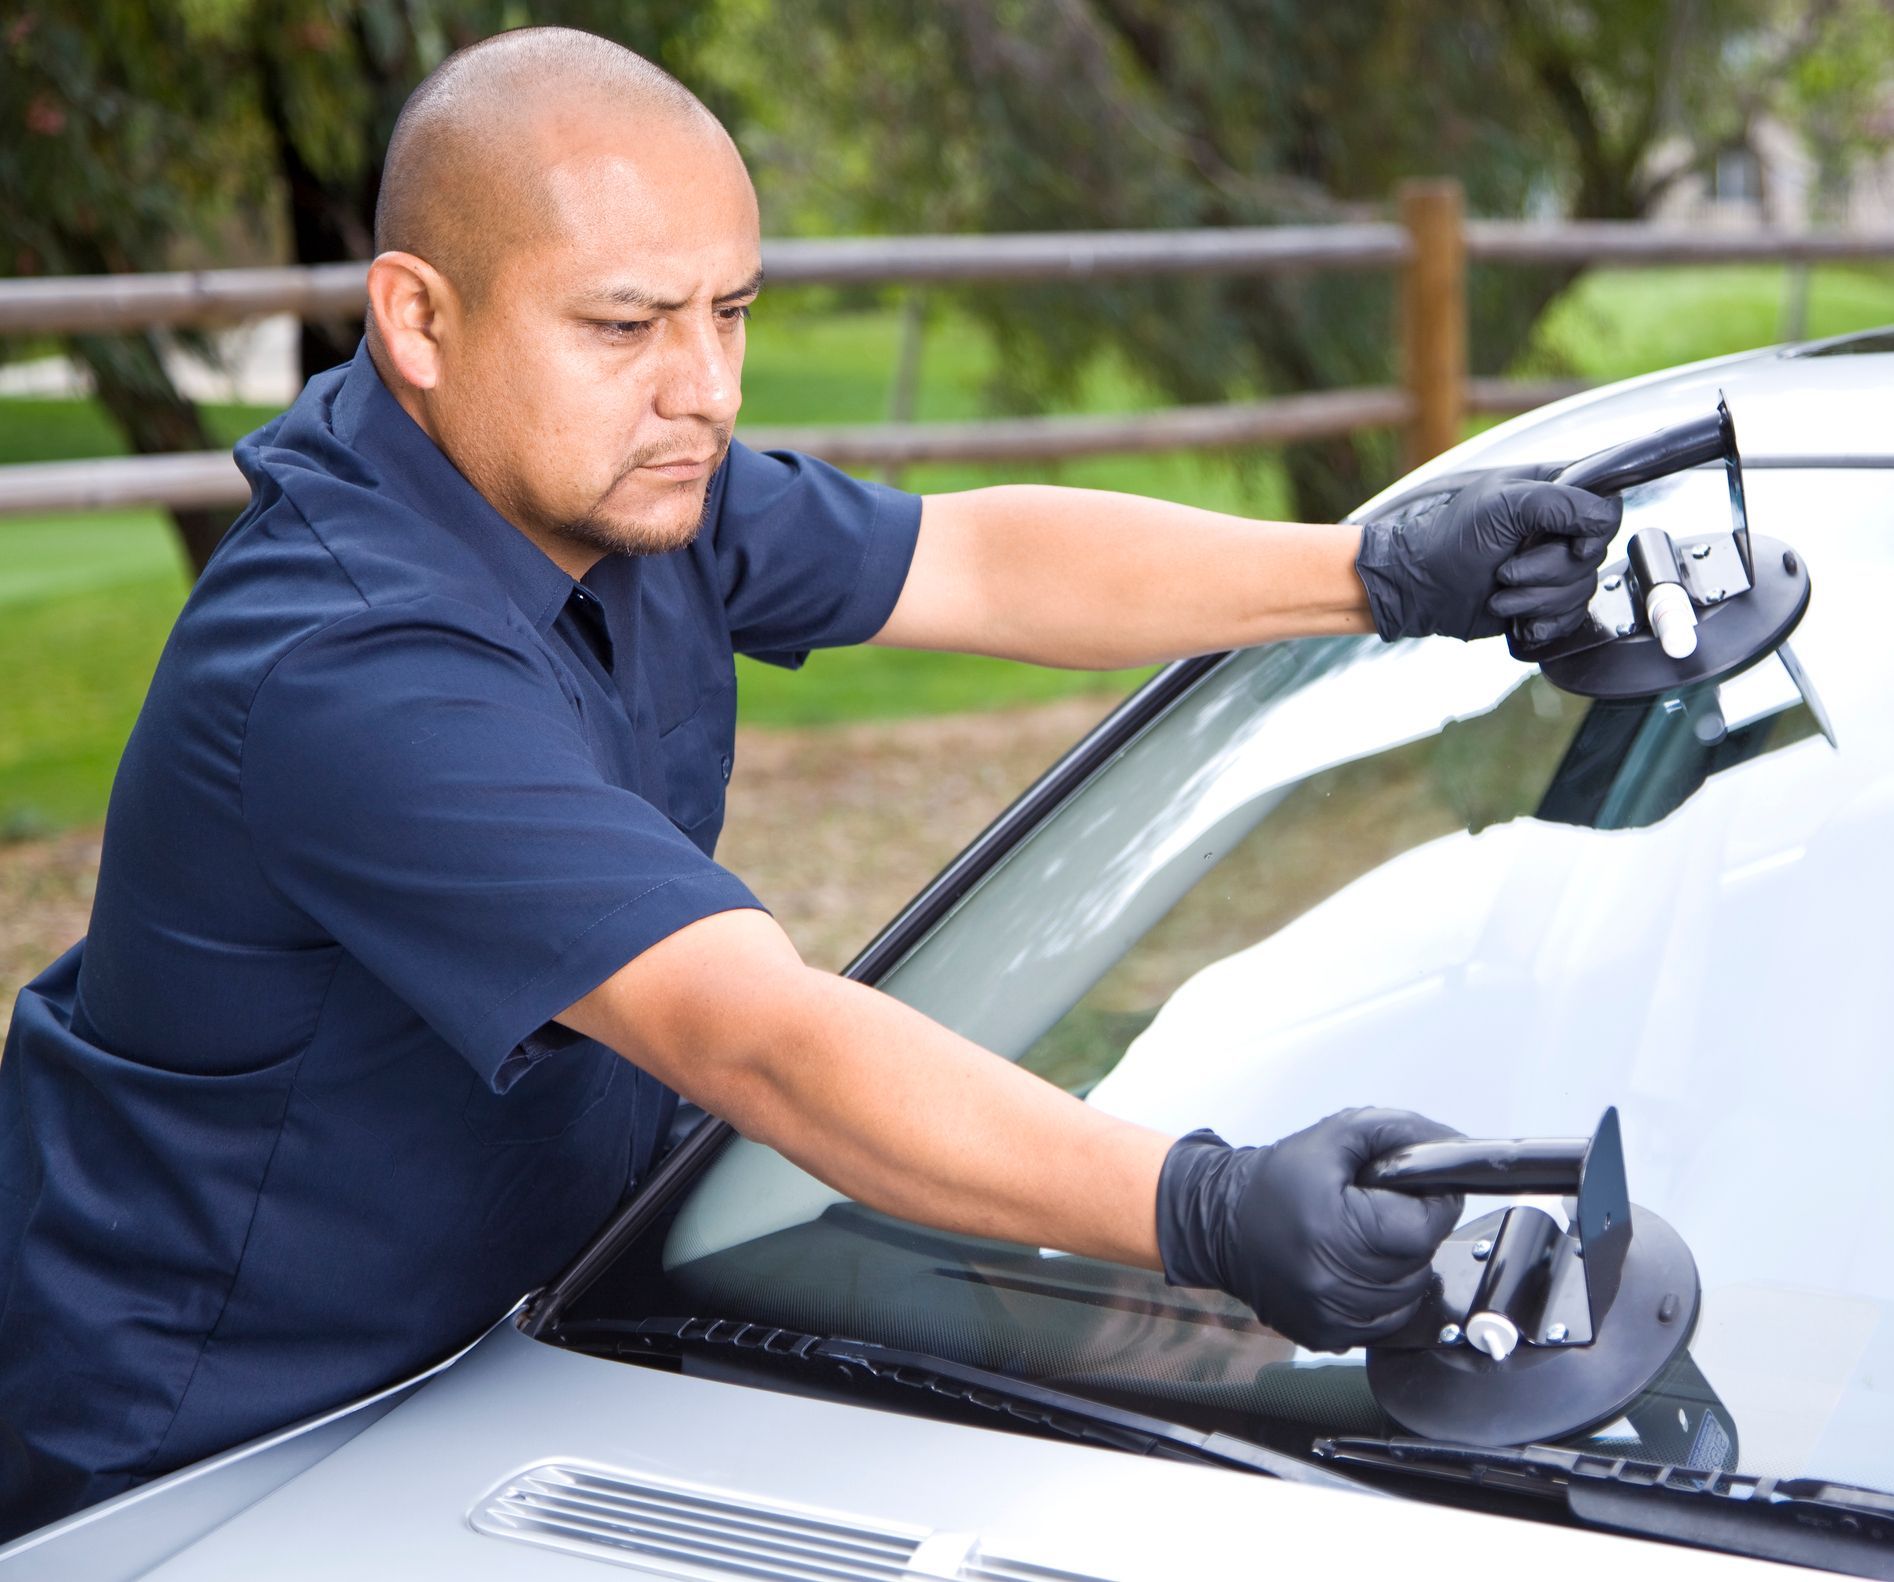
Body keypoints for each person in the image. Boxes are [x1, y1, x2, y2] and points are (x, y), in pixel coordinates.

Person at [0, 26, 1622, 1539]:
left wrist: (1382, 573)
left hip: (534, 1338)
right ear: (419, 320)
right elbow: (755, 1036)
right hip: (223, 1443)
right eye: (625, 324)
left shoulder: (617, 476)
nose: (702, 386)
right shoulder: (347, 666)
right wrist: (1203, 1209)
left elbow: (973, 566)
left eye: (733, 311)